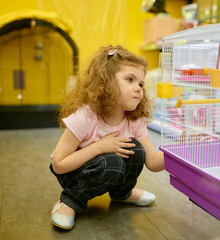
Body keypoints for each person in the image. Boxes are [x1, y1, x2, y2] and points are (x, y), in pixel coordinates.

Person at [49, 45, 164, 230]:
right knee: (113, 163)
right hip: (73, 173)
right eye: (130, 79)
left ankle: (122, 193)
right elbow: (59, 164)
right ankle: (70, 201)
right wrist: (101, 146)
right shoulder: (85, 116)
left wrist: (181, 149)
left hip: (108, 166)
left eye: (141, 84)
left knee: (136, 150)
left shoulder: (134, 120)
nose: (138, 89)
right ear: (106, 81)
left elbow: (153, 161)